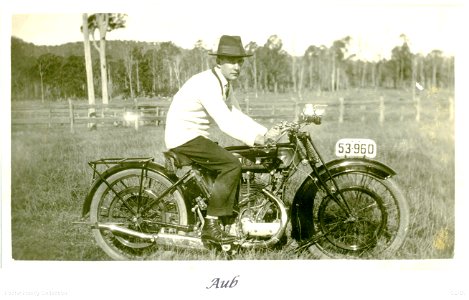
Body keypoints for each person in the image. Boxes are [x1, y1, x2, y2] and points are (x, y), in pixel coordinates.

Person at [164, 35, 280, 247]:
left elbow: (237, 114)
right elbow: (226, 122)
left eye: (240, 61)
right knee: (231, 164)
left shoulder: (224, 84)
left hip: (194, 135)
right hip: (184, 137)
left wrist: (266, 133)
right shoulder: (208, 84)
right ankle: (211, 225)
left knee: (236, 157)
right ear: (219, 61)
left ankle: (227, 217)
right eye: (231, 61)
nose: (237, 66)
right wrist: (256, 139)